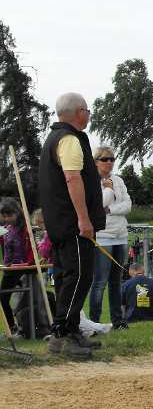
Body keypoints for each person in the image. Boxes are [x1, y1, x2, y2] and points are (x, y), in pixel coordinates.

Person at [38, 92, 105, 357]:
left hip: (60, 221)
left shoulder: (55, 138)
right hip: (72, 223)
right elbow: (72, 178)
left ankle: (71, 330)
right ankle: (63, 334)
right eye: (87, 110)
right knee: (78, 276)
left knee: (69, 276)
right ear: (79, 112)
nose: (88, 114)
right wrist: (84, 219)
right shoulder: (69, 140)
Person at [88, 145, 131, 329]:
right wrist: (108, 190)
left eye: (112, 159)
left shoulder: (118, 180)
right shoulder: (90, 180)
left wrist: (111, 209)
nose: (109, 162)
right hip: (102, 236)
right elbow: (98, 205)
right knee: (99, 282)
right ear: (96, 161)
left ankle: (118, 321)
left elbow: (128, 205)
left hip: (121, 235)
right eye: (105, 159)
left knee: (116, 281)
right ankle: (95, 322)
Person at [0, 198, 34, 338]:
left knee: (4, 297)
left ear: (17, 212)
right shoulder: (5, 228)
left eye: (10, 215)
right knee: (3, 298)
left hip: (22, 268)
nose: (7, 218)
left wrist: (30, 262)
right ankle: (12, 327)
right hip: (10, 269)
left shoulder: (25, 228)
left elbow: (32, 247)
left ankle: (15, 328)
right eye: (4, 216)